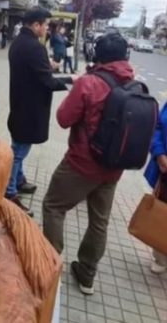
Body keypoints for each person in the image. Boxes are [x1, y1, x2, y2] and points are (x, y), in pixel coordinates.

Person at [42, 33, 132, 296]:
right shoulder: (132, 84)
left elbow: (63, 118)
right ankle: (87, 274)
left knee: (54, 206)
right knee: (99, 221)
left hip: (82, 164)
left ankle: (49, 265)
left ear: (97, 55)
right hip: (113, 169)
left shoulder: (89, 83)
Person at [5, 8, 73, 216]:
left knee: (19, 147)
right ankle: (9, 193)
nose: (47, 29)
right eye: (45, 25)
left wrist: (48, 65)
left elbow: (34, 71)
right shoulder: (34, 47)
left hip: (20, 105)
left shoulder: (18, 43)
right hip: (29, 109)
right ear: (35, 25)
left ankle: (18, 180)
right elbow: (47, 81)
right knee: (18, 152)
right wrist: (71, 80)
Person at [144, 101, 167, 274]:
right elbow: (158, 126)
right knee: (162, 211)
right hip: (165, 170)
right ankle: (161, 255)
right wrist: (159, 153)